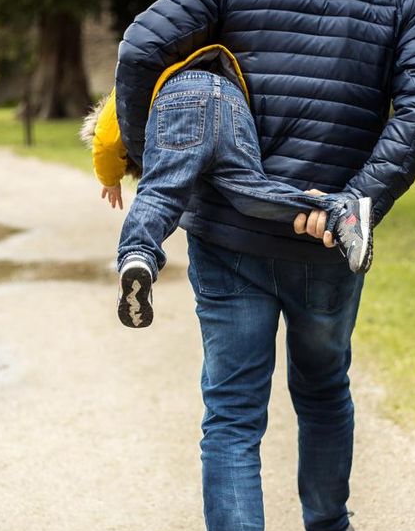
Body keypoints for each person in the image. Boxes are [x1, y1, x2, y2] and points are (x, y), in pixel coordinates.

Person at [115, 0, 415, 531]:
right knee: (323, 387)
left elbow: (142, 46)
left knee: (232, 414)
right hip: (325, 236)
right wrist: (358, 200)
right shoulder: (401, 1)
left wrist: (157, 160)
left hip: (227, 229)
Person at [82, 45, 373, 328]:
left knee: (161, 193)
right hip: (233, 99)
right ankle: (339, 211)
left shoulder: (137, 81)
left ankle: (138, 255)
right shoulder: (217, 50)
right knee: (251, 192)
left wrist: (109, 178)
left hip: (179, 98)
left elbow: (107, 137)